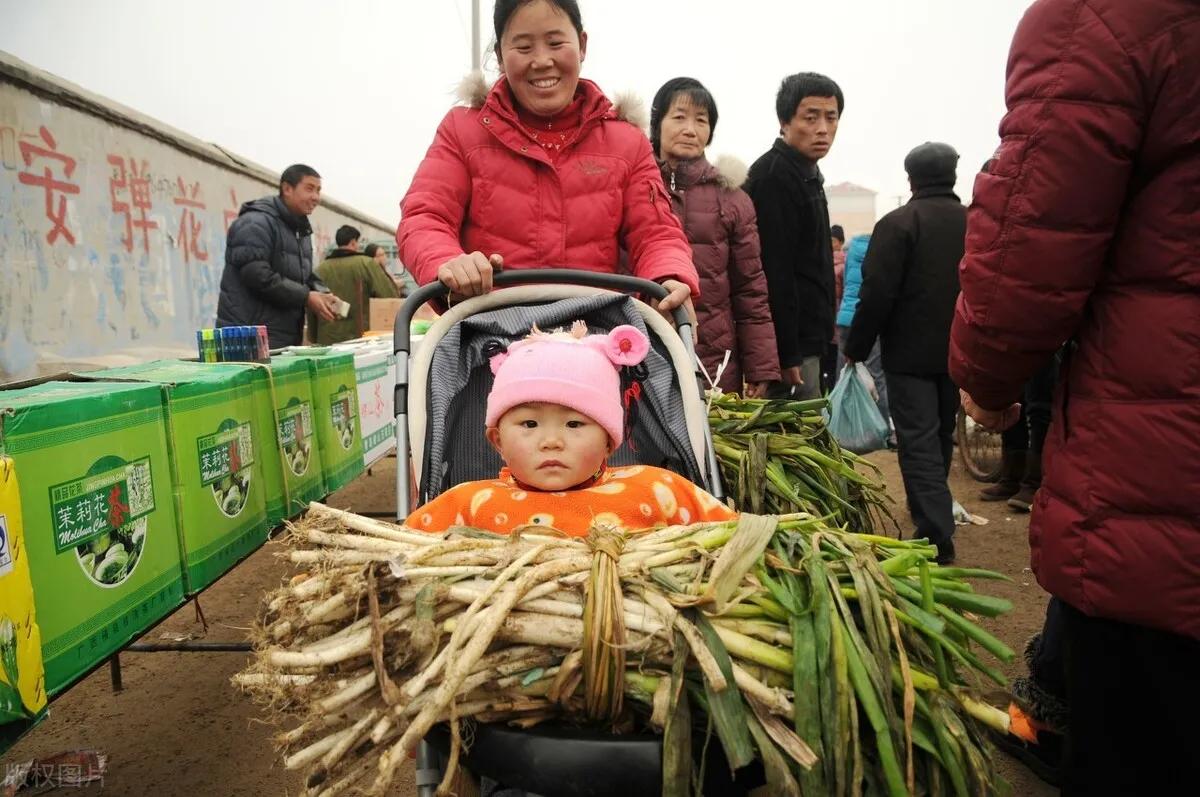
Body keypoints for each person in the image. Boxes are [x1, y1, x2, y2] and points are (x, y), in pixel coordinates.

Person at [950, 1, 1199, 793]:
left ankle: (1046, 716)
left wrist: (987, 381)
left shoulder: (1106, 18)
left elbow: (1027, 241)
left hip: (1160, 471)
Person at [397, 0, 698, 323]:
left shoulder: (627, 142)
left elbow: (655, 233)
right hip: (487, 334)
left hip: (596, 336)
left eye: (555, 43)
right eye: (523, 47)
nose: (542, 61)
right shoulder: (462, 130)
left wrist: (669, 275)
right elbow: (424, 216)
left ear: (582, 45)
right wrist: (448, 262)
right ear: (499, 56)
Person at [406, 323, 734, 535]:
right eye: (530, 424)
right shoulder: (467, 505)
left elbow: (733, 536)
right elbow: (402, 552)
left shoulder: (658, 490)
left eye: (574, 423)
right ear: (497, 440)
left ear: (609, 441)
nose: (551, 441)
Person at [843, 142, 966, 564]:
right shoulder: (974, 223)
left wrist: (857, 346)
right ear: (953, 174)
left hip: (909, 355)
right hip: (960, 351)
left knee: (917, 440)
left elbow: (877, 292)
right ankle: (931, 510)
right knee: (941, 434)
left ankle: (935, 533)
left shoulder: (898, 223)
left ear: (911, 179)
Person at [648, 77, 778, 397]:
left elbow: (750, 289)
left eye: (701, 120)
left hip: (713, 358)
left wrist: (760, 366)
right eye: (679, 117)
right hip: (639, 346)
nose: (690, 129)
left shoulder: (732, 199)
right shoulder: (635, 185)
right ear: (657, 123)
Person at [744, 72, 843, 400]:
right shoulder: (774, 177)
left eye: (831, 118)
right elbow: (775, 272)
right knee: (792, 427)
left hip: (812, 339)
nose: (823, 129)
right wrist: (786, 353)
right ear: (784, 122)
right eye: (811, 118)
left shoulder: (808, 173)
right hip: (791, 349)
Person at [217, 164, 342, 348]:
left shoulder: (300, 230)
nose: (316, 197)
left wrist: (323, 294)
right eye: (309, 189)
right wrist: (306, 297)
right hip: (249, 338)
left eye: (318, 190)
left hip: (280, 336)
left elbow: (301, 275)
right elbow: (257, 275)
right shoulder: (255, 222)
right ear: (287, 189)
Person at [835, 233, 891, 434]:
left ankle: (841, 427)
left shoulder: (850, 253)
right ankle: (883, 429)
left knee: (844, 375)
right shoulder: (881, 253)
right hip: (868, 319)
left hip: (844, 319)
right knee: (877, 376)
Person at [307, 226, 400, 344]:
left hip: (328, 342)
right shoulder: (367, 264)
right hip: (362, 340)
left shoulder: (320, 270)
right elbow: (389, 295)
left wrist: (313, 337)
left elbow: (312, 306)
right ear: (353, 242)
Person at [823, 224, 847, 391]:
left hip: (836, 319)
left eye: (833, 240)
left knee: (833, 363)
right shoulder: (823, 261)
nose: (830, 244)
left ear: (840, 242)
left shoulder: (844, 265)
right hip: (827, 319)